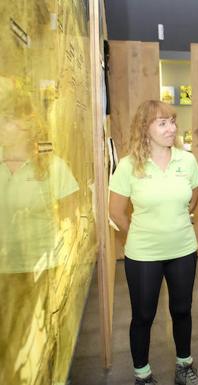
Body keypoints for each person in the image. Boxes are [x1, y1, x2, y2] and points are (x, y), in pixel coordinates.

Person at [109, 100, 198, 385]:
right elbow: (115, 211)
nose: (171, 128)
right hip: (143, 255)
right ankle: (142, 375)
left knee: (182, 309)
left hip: (183, 250)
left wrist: (181, 217)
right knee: (143, 315)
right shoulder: (129, 165)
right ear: (145, 128)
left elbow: (195, 194)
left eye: (172, 122)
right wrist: (140, 233)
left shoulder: (186, 160)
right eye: (162, 123)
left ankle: (184, 366)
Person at [0, 92, 79, 384]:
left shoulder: (51, 166)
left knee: (43, 336)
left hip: (42, 266)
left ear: (26, 124)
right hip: (3, 271)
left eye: (7, 119)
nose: (0, 124)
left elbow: (71, 216)